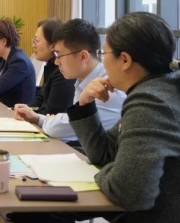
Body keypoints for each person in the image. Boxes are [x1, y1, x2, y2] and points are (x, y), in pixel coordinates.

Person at [14, 12, 180, 223]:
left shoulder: (153, 103)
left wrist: (108, 171)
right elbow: (103, 154)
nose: (101, 62)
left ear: (125, 60)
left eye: (104, 54)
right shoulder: (160, 91)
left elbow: (129, 193)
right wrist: (84, 105)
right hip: (162, 221)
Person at [14, 19, 124, 148]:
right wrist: (38, 118)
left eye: (59, 55)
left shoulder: (108, 87)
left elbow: (70, 127)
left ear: (83, 56)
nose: (56, 62)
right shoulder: (82, 80)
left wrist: (51, 122)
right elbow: (71, 121)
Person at [13, 18, 76, 117]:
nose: (33, 45)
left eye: (36, 41)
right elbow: (41, 98)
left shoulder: (63, 72)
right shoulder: (50, 66)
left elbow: (51, 112)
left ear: (52, 45)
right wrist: (25, 109)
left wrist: (30, 114)